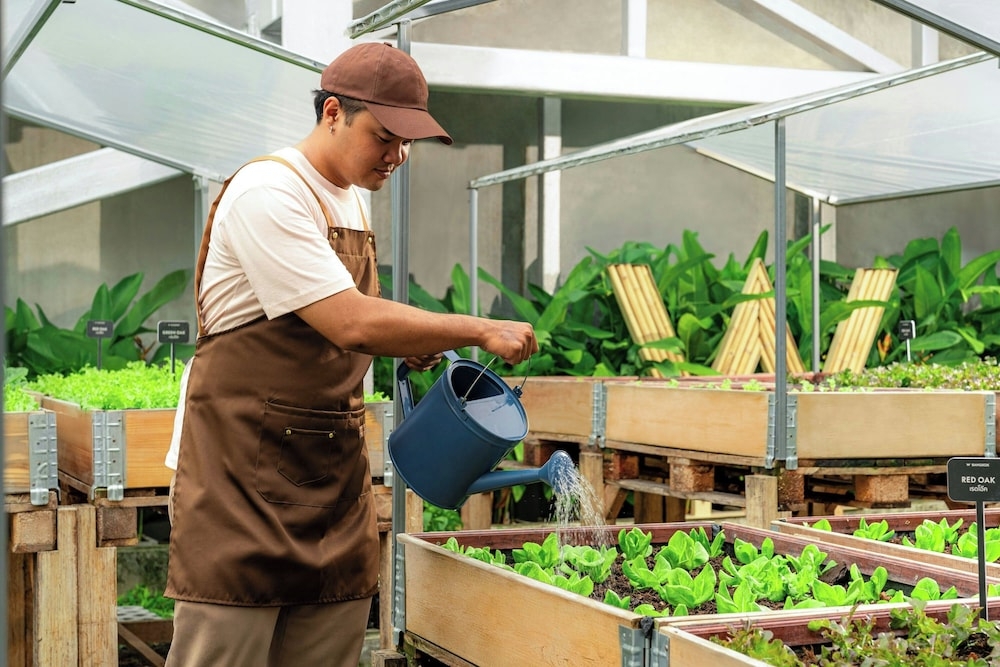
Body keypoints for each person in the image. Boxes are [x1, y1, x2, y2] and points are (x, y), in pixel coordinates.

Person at [163, 41, 538, 667]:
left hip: (327, 472)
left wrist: (419, 350)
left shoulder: (350, 199)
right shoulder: (269, 191)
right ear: (333, 112)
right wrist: (473, 328)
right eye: (384, 137)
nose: (397, 156)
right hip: (239, 480)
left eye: (407, 142)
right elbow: (350, 322)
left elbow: (358, 323)